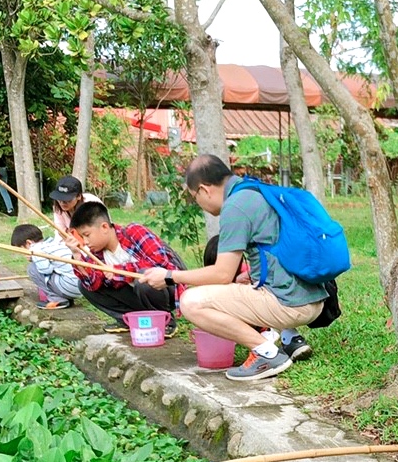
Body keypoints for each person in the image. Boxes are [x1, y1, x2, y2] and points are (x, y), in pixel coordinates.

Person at [139, 155, 327, 382]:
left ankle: (266, 353)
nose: (199, 204)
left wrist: (169, 276)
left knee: (191, 301)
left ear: (204, 190)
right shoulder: (255, 191)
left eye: (194, 197)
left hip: (289, 304)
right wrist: (253, 274)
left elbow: (221, 274)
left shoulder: (235, 206)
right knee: (235, 285)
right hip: (313, 298)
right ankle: (287, 339)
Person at [64, 201, 182, 335]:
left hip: (165, 290)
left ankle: (165, 321)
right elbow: (92, 283)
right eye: (82, 237)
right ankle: (129, 319)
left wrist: (119, 270)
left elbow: (159, 261)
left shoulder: (134, 232)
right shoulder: (97, 254)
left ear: (104, 227)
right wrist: (77, 255)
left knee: (144, 277)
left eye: (87, 235)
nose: (85, 242)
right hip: (136, 296)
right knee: (83, 286)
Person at [201, 234, 313, 361]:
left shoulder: (247, 269)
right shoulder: (216, 275)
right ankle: (288, 337)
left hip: (268, 311)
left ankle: (282, 338)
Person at [10, 223, 81, 310]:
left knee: (32, 269)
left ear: (28, 243)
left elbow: (46, 270)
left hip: (69, 286)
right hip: (80, 287)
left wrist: (34, 259)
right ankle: (64, 298)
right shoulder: (53, 243)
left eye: (21, 249)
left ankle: (57, 300)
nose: (23, 254)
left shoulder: (36, 249)